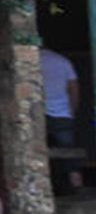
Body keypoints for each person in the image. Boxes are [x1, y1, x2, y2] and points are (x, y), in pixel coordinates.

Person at [43, 45, 83, 190]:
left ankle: (45, 187)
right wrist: (72, 111)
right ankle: (76, 182)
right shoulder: (63, 61)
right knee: (68, 150)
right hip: (62, 112)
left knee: (40, 151)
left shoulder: (35, 60)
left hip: (39, 113)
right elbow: (74, 88)